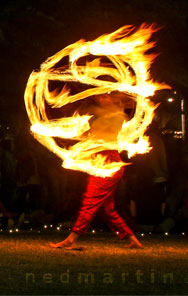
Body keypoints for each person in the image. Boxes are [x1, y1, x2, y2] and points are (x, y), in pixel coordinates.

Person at [50, 93, 143, 249]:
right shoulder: (104, 115)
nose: (100, 98)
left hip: (108, 165)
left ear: (114, 100)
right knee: (107, 209)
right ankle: (133, 239)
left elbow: (100, 136)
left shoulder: (117, 116)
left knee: (90, 201)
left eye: (105, 97)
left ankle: (71, 239)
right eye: (99, 97)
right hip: (101, 163)